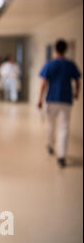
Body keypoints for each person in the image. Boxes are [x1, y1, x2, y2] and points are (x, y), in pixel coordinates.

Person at [37, 39, 81, 168]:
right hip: (66, 100)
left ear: (55, 50)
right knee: (64, 127)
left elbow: (43, 83)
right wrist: (77, 92)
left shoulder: (49, 64)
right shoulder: (70, 65)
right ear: (65, 50)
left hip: (51, 99)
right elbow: (78, 80)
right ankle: (62, 156)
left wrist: (39, 99)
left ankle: (50, 145)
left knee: (51, 124)